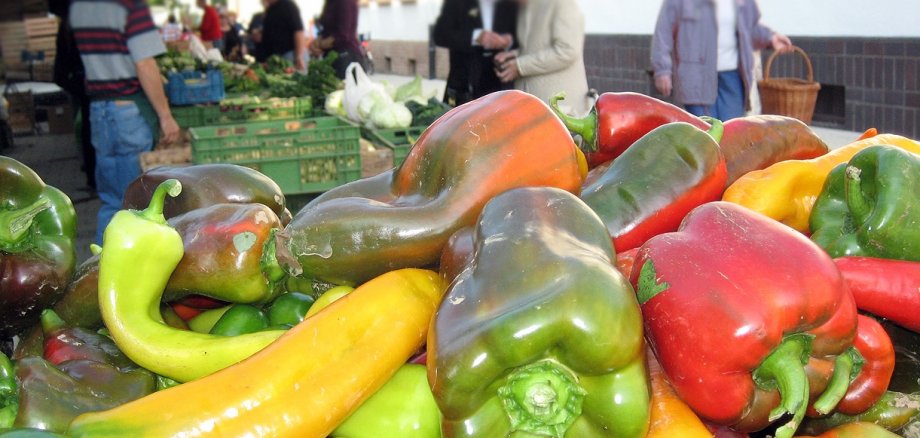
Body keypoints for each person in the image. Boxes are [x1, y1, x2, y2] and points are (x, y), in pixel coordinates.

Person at [70, 0, 180, 243]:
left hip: (98, 110)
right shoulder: (129, 6)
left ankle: (97, 266)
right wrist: (165, 115)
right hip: (127, 111)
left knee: (111, 200)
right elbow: (144, 63)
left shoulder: (78, 8)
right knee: (134, 201)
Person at [651, 0, 792, 120]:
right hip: (696, 76)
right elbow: (663, 32)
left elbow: (750, 29)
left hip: (733, 77)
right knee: (704, 132)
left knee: (732, 133)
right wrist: (662, 69)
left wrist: (771, 38)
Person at [494, 0, 589, 115]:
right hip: (532, 105)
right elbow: (535, 47)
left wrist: (520, 65)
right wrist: (513, 56)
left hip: (561, 107)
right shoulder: (526, 7)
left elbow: (567, 50)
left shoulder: (562, 3)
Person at [433, 0, 517, 106]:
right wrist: (476, 37)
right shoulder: (456, 2)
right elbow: (440, 35)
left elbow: (524, 40)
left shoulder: (510, 4)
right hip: (464, 83)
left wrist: (509, 41)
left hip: (499, 83)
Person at [50, 0, 94, 189]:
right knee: (88, 134)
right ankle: (93, 178)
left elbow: (59, 75)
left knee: (88, 134)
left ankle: (93, 178)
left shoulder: (73, 27)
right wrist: (82, 90)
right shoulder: (71, 29)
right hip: (88, 93)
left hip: (86, 93)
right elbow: (59, 74)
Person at [312, 0, 364, 78]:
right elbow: (326, 29)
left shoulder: (345, 2)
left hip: (345, 57)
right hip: (332, 56)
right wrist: (316, 43)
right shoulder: (330, 2)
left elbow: (343, 35)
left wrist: (320, 44)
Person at [258, 0, 307, 71]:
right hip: (276, 59)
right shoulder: (271, 9)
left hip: (290, 55)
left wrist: (299, 57)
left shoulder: (287, 5)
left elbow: (298, 31)